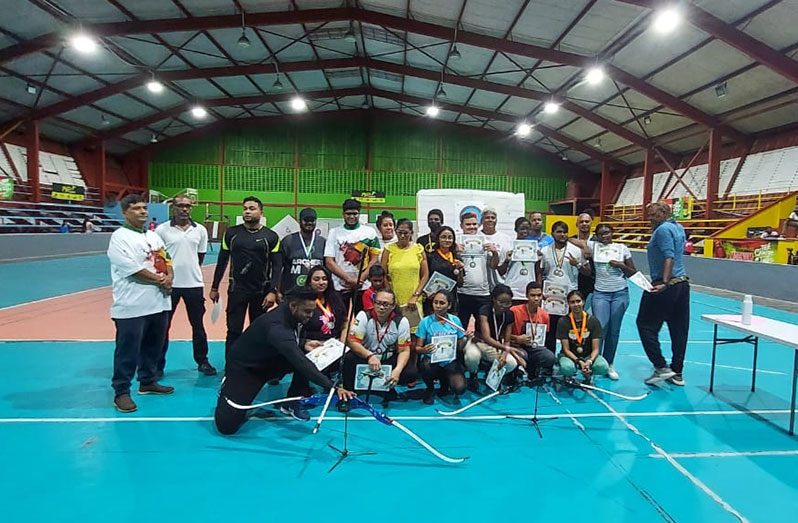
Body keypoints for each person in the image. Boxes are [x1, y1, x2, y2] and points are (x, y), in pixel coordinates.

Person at [214, 287, 356, 434]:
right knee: (227, 427)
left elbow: (291, 345)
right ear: (293, 306)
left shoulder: (292, 311)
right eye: (307, 311)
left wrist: (302, 343)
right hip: (247, 369)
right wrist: (333, 386)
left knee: (309, 355)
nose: (311, 315)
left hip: (271, 359)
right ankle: (227, 388)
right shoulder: (276, 326)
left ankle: (292, 401)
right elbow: (299, 361)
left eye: (312, 310)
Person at [107, 194, 174, 413]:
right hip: (132, 305)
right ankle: (122, 392)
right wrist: (160, 279)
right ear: (125, 212)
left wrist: (170, 275)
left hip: (159, 302)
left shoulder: (154, 236)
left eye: (144, 208)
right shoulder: (120, 237)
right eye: (136, 208)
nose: (143, 211)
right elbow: (131, 268)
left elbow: (167, 259)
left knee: (153, 346)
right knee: (128, 350)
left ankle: (147, 381)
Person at [210, 196, 282, 358]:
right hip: (237, 291)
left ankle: (256, 366)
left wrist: (272, 291)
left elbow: (277, 267)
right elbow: (222, 261)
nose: (247, 211)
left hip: (261, 293)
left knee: (259, 332)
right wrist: (214, 287)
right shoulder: (231, 233)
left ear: (261, 212)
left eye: (252, 208)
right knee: (234, 331)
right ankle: (231, 368)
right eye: (245, 208)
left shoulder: (271, 236)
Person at [155, 194, 216, 377]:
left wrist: (189, 271)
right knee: (163, 326)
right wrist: (166, 277)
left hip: (194, 285)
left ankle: (202, 361)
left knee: (198, 325)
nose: (184, 209)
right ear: (173, 207)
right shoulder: (161, 230)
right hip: (168, 285)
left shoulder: (201, 231)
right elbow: (158, 259)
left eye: (188, 206)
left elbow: (200, 257)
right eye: (180, 205)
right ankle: (157, 365)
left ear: (191, 208)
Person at [637, 202, 689, 387]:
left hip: (666, 283)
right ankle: (677, 372)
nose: (650, 218)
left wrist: (664, 283)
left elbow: (669, 256)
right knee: (678, 329)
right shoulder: (678, 227)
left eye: (653, 214)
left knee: (644, 324)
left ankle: (661, 366)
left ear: (664, 212)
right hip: (682, 284)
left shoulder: (662, 230)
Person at [282, 266, 349, 404]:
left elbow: (345, 322)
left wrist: (342, 343)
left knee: (351, 356)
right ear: (309, 282)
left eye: (324, 279)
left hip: (334, 345)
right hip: (312, 345)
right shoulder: (303, 301)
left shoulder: (335, 298)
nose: (321, 282)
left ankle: (344, 393)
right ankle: (298, 394)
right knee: (302, 358)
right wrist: (306, 342)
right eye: (316, 279)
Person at [343, 290, 415, 405]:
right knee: (348, 359)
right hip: (365, 357)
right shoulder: (364, 316)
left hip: (387, 359)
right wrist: (369, 356)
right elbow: (352, 342)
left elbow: (404, 350)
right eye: (378, 303)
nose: (381, 307)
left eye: (386, 304)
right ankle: (348, 394)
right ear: (373, 303)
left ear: (393, 306)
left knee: (410, 372)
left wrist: (397, 370)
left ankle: (388, 389)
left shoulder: (401, 321)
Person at [585, 224, 636, 381]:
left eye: (607, 233)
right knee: (600, 328)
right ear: (596, 236)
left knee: (614, 331)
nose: (604, 236)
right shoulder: (594, 247)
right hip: (600, 293)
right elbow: (576, 240)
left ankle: (609, 364)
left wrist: (620, 265)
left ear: (612, 233)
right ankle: (594, 363)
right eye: (600, 234)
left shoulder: (622, 248)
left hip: (620, 293)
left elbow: (633, 272)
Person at [538, 221, 589, 353]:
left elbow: (588, 272)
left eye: (564, 232)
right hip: (551, 296)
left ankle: (568, 358)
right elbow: (540, 272)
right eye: (559, 232)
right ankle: (549, 359)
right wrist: (540, 290)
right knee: (551, 331)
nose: (562, 234)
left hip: (570, 296)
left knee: (570, 330)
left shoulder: (577, 251)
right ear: (552, 233)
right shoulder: (544, 251)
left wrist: (577, 264)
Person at [463, 284, 526, 390]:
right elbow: (486, 337)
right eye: (501, 302)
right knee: (472, 356)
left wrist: (505, 355)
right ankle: (473, 375)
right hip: (478, 342)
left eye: (508, 303)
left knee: (511, 363)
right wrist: (507, 349)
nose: (504, 306)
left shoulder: (509, 314)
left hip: (496, 345)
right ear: (493, 299)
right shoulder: (484, 310)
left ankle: (492, 374)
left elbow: (506, 340)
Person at [324, 198, 381, 308]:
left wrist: (361, 278)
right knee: (340, 321)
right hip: (340, 287)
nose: (351, 217)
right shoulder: (334, 233)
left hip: (363, 286)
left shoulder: (369, 232)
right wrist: (348, 279)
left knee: (362, 320)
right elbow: (329, 261)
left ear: (359, 214)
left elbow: (374, 259)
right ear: (343, 214)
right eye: (348, 214)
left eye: (355, 214)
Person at [415, 290, 468, 404]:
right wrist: (424, 349)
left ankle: (445, 383)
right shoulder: (425, 322)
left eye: (442, 303)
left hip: (450, 361)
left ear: (449, 305)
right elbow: (417, 348)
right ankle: (430, 388)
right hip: (432, 361)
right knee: (425, 365)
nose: (437, 306)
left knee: (460, 388)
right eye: (435, 302)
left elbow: (460, 347)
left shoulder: (455, 321)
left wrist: (465, 339)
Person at [382, 218, 429, 333]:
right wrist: (390, 295)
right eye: (399, 232)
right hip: (394, 299)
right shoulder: (388, 249)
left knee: (414, 333)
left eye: (406, 233)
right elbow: (383, 274)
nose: (402, 235)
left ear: (411, 233)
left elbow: (425, 275)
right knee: (394, 331)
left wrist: (416, 295)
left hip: (414, 299)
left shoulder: (418, 249)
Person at [457, 211, 498, 332]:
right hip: (462, 292)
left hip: (483, 294)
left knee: (482, 330)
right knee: (461, 329)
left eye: (474, 224)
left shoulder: (485, 241)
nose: (472, 227)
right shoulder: (457, 241)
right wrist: (454, 250)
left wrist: (495, 253)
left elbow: (493, 265)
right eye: (468, 224)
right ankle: (460, 351)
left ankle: (482, 350)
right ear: (461, 225)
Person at [556, 290, 609, 385]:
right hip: (569, 356)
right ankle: (568, 375)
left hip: (587, 356)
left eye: (578, 301)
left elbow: (596, 349)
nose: (576, 304)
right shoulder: (563, 322)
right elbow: (566, 349)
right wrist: (579, 361)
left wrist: (589, 361)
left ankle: (588, 374)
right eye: (572, 302)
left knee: (603, 367)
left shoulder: (593, 321)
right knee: (567, 368)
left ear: (583, 302)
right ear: (568, 304)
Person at [508, 282, 556, 377]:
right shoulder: (514, 311)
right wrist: (517, 338)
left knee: (550, 357)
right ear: (526, 296)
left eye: (539, 295)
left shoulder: (544, 315)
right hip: (516, 346)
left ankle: (532, 367)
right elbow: (502, 335)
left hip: (534, 346)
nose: (536, 298)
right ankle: (515, 370)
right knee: (523, 354)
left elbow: (543, 338)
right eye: (532, 295)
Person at [277, 207, 326, 293]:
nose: (309, 223)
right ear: (300, 221)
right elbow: (278, 267)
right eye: (306, 220)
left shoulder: (323, 242)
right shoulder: (288, 240)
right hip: (291, 292)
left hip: (316, 293)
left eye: (312, 220)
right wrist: (277, 290)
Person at [498, 217, 539, 305]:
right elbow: (501, 272)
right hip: (512, 291)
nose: (525, 231)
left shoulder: (535, 248)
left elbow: (538, 271)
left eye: (527, 228)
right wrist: (507, 260)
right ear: (515, 229)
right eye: (522, 228)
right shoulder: (508, 247)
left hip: (529, 292)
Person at [423, 225, 464, 314]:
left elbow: (460, 284)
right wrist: (426, 293)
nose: (447, 240)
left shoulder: (456, 257)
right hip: (432, 300)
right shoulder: (430, 256)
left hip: (450, 301)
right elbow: (424, 276)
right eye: (443, 237)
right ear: (438, 239)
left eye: (450, 238)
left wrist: (460, 270)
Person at [481, 207, 512, 289]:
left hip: (501, 283)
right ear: (482, 220)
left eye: (493, 218)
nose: (490, 220)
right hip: (482, 286)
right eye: (487, 218)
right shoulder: (477, 237)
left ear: (496, 220)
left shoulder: (506, 239)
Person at [573, 212, 595, 311]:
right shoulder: (571, 240)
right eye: (581, 222)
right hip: (573, 279)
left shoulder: (598, 241)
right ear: (577, 224)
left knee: (587, 312)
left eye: (587, 221)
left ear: (591, 223)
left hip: (591, 282)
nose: (584, 224)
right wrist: (584, 245)